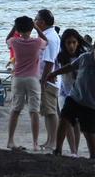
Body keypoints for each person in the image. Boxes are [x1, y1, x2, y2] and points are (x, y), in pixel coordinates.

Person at [47, 31, 95, 159]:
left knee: (89, 133)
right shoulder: (85, 58)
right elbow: (70, 67)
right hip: (74, 98)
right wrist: (54, 73)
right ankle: (58, 149)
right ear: (94, 49)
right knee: (64, 121)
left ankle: (93, 157)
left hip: (92, 105)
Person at [6, 16, 48, 151]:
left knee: (15, 109)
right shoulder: (36, 42)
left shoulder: (14, 41)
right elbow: (46, 41)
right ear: (31, 29)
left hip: (18, 78)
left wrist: (15, 27)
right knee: (34, 111)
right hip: (33, 79)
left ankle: (10, 140)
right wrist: (37, 28)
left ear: (18, 29)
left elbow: (7, 39)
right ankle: (35, 143)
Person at [56, 28, 87, 155]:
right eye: (68, 43)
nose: (71, 46)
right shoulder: (61, 57)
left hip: (79, 93)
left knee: (77, 123)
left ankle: (75, 150)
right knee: (67, 122)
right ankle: (73, 150)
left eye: (74, 42)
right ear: (64, 44)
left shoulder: (84, 57)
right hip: (64, 93)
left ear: (78, 42)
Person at [35, 9, 62, 151]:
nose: (34, 22)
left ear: (42, 22)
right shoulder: (47, 35)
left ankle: (53, 141)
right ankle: (49, 139)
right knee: (46, 110)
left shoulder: (50, 37)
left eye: (36, 19)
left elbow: (49, 61)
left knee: (51, 111)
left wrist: (43, 79)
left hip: (48, 79)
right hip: (46, 77)